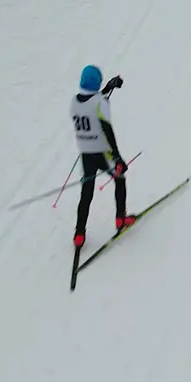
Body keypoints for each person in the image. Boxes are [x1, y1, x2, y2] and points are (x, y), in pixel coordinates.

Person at [69, 65, 130, 247]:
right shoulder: (100, 103)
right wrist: (118, 157)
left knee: (86, 194)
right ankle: (121, 219)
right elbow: (107, 129)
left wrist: (109, 88)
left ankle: (79, 234)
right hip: (102, 153)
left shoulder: (74, 101)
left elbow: (90, 102)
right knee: (120, 179)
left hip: (85, 154)